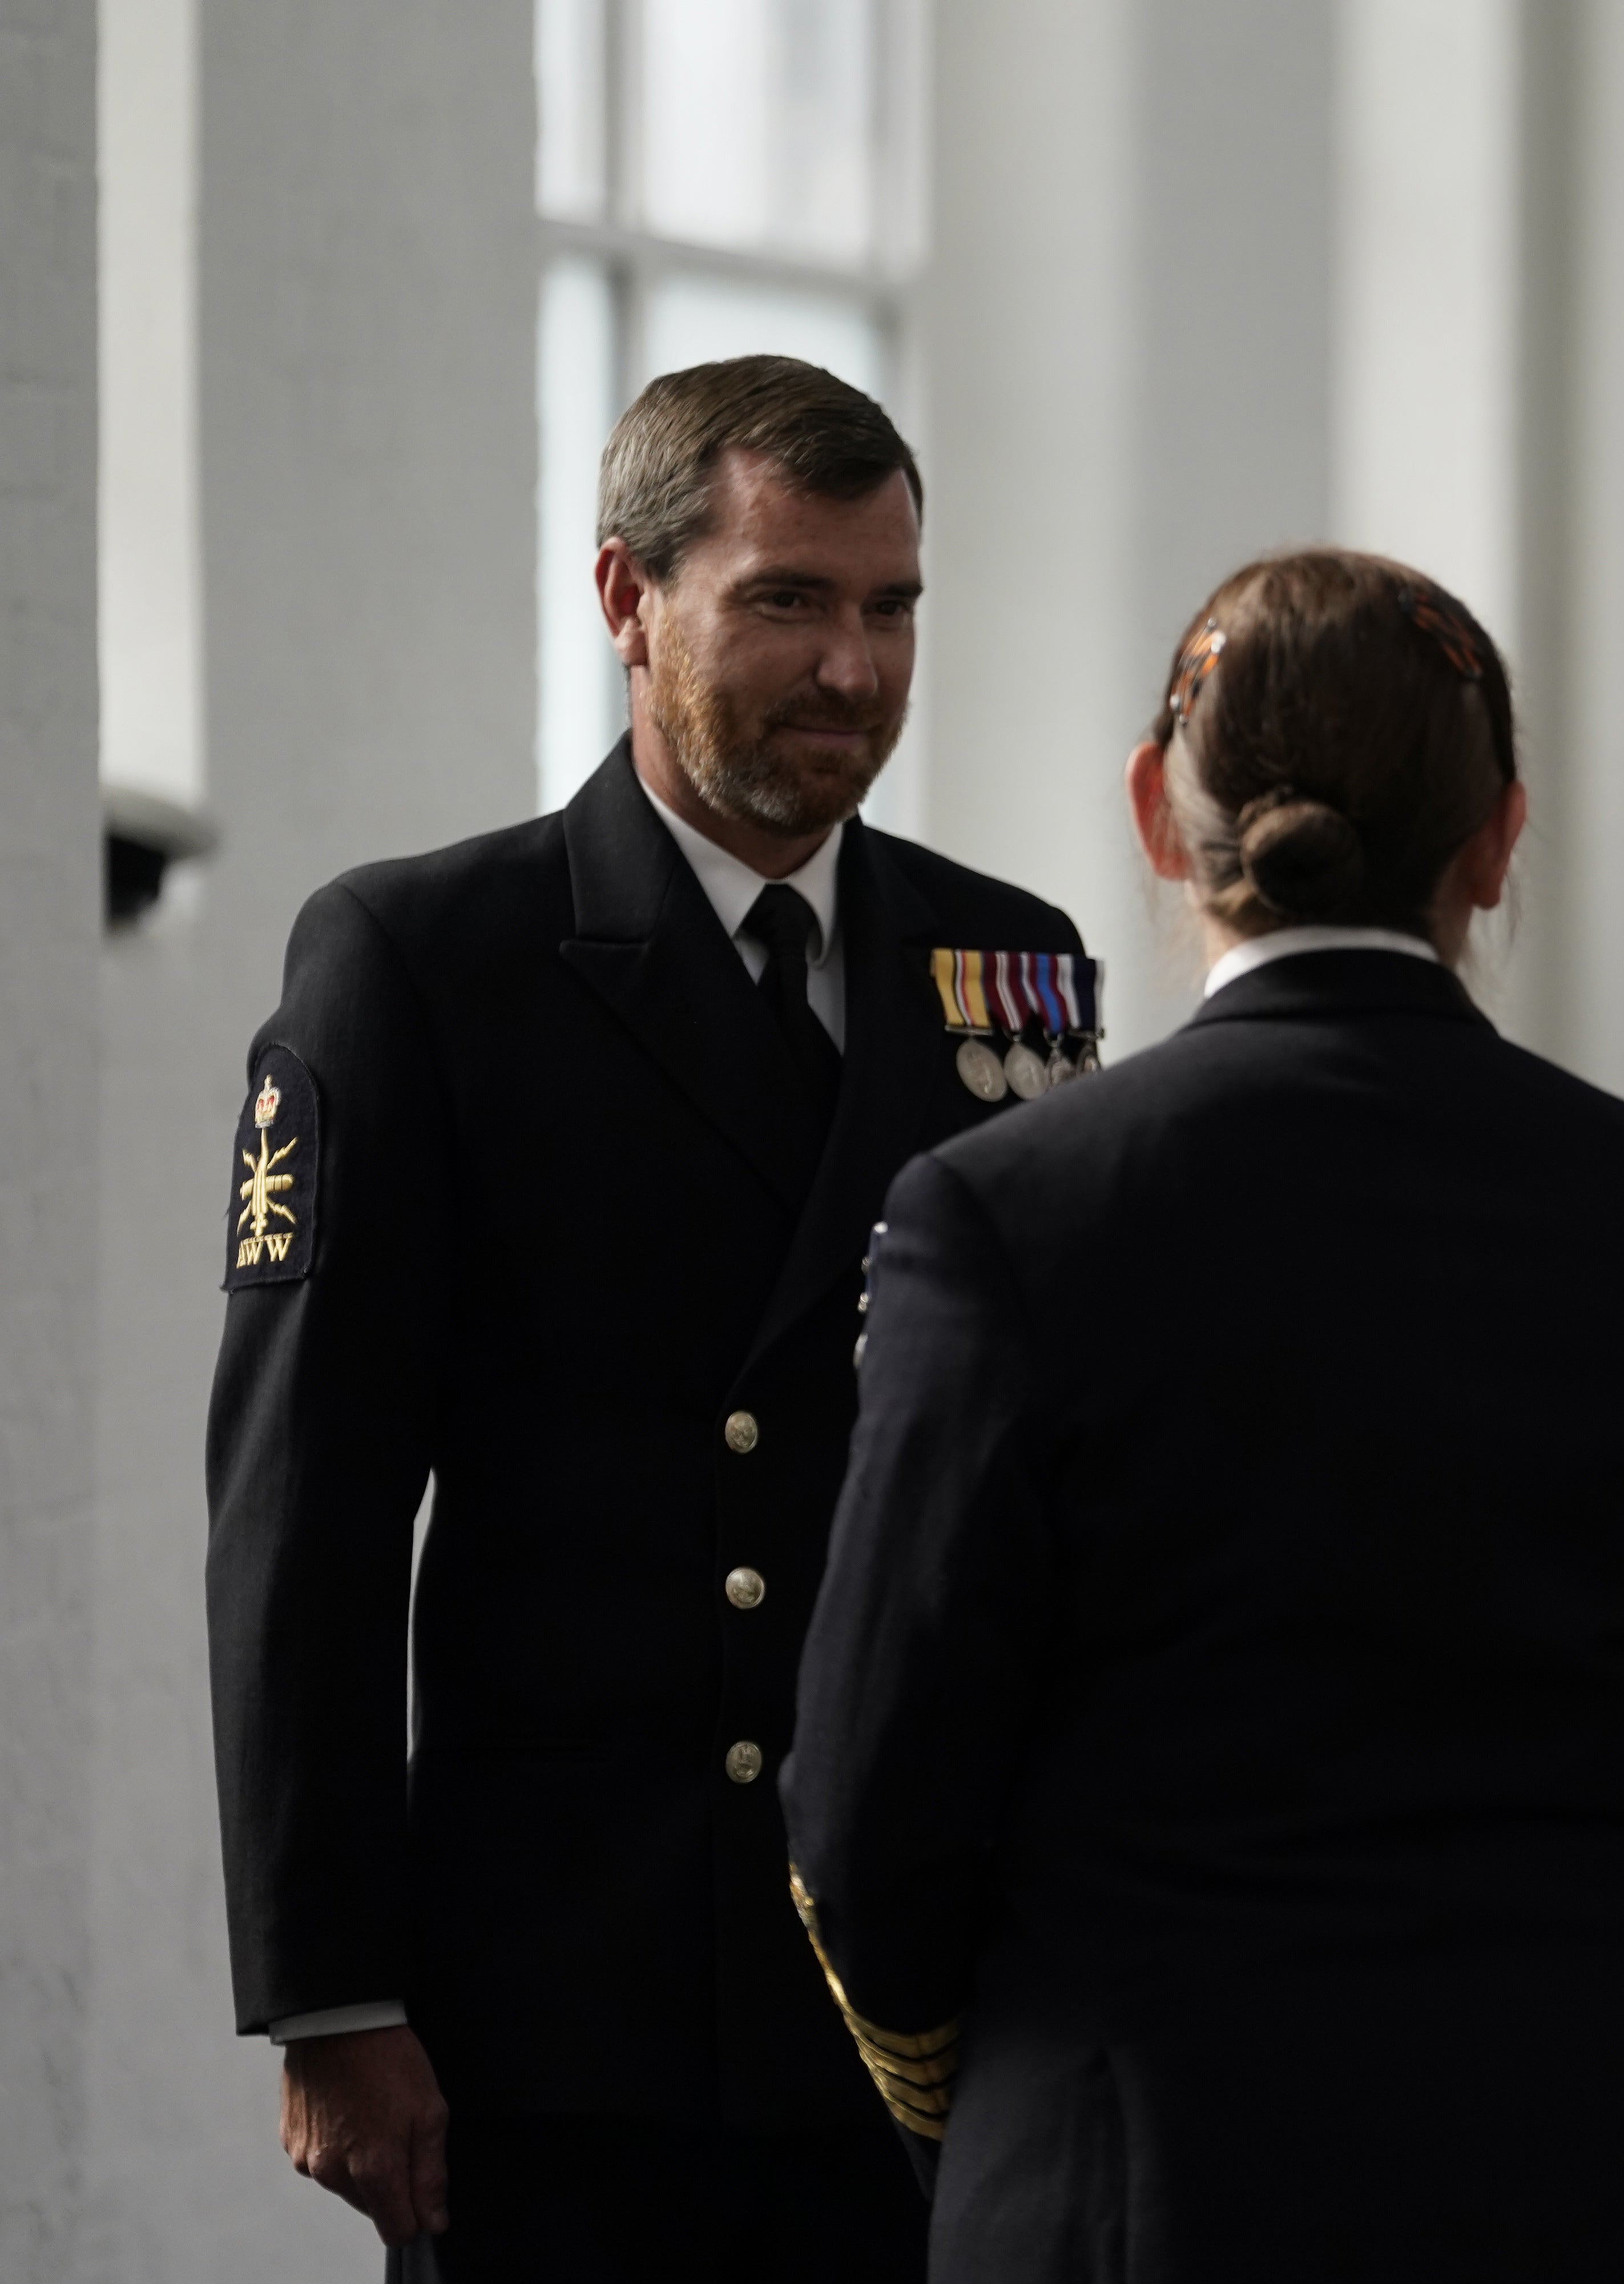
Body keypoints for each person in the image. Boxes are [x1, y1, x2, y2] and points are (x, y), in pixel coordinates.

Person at [780, 548, 1624, 2281]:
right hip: (1601, 2174)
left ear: (1154, 816)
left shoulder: (1008, 1214)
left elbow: (877, 1797)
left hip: (1152, 2182)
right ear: (1498, 837)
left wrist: (1016, 2090)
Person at [204, 355, 1083, 2281]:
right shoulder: (424, 964)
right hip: (563, 2013)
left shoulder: (1004, 968)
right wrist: (330, 1995)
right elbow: (310, 1515)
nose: (853, 670)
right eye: (787, 600)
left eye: (889, 607)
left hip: (914, 2012)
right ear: (628, 598)